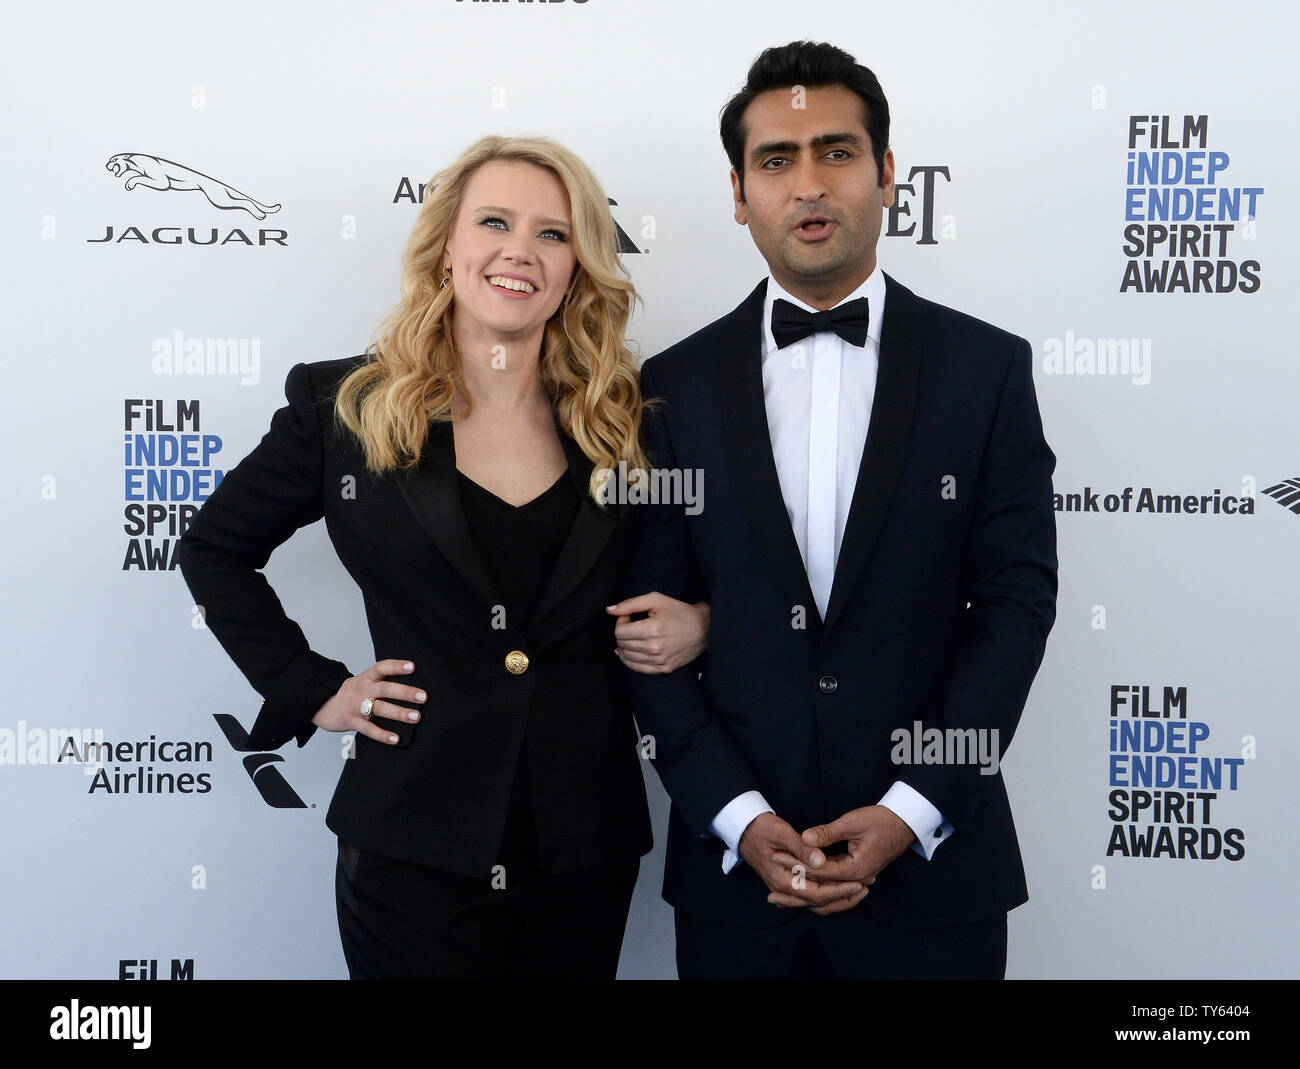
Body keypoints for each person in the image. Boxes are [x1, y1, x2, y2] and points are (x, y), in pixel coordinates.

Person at [178, 134, 710, 979]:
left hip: (583, 843)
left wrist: (703, 619)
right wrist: (314, 687)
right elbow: (213, 548)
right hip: (412, 837)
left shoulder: (626, 422)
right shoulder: (342, 406)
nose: (519, 250)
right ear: (445, 249)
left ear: (579, 263)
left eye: (553, 232)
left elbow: (706, 568)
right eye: (493, 221)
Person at [619, 40, 1058, 979]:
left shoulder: (987, 371)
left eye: (837, 152)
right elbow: (643, 630)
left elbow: (1015, 610)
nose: (808, 184)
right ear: (739, 194)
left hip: (937, 882)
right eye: (776, 160)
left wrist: (912, 808)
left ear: (888, 173)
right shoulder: (669, 388)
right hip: (736, 888)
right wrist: (738, 818)